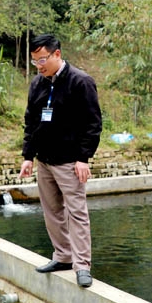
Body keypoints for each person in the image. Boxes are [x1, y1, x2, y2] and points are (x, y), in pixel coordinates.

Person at [19, 34, 102, 288]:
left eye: (42, 59)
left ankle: (82, 265)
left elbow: (93, 123)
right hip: (45, 160)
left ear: (57, 54)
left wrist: (83, 158)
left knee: (76, 213)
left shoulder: (81, 82)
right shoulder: (37, 84)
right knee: (52, 212)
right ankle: (63, 257)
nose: (39, 66)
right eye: (35, 61)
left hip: (70, 162)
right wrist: (28, 156)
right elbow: (31, 121)